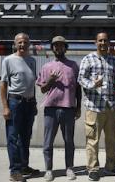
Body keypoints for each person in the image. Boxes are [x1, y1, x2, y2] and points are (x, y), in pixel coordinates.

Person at [36, 36, 81, 181]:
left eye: (61, 45)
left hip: (68, 108)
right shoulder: (46, 67)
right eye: (55, 45)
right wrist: (50, 80)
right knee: (48, 141)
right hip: (50, 109)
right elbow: (43, 89)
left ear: (65, 48)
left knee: (69, 141)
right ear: (52, 48)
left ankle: (69, 168)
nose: (58, 48)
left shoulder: (74, 65)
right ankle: (49, 170)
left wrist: (78, 106)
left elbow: (78, 88)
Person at [78, 32, 115, 181]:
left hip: (110, 107)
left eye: (105, 40)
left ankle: (111, 166)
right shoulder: (88, 59)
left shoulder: (114, 61)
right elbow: (81, 79)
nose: (103, 43)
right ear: (95, 42)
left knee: (111, 139)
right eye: (100, 40)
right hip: (94, 107)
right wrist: (93, 84)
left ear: (109, 42)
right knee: (92, 139)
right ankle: (93, 168)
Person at [0, 33, 39, 182]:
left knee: (25, 137)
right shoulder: (8, 60)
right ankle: (14, 171)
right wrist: (5, 107)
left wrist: (34, 102)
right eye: (20, 42)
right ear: (15, 44)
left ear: (29, 44)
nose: (22, 45)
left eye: (25, 42)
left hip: (29, 104)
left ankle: (24, 166)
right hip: (15, 103)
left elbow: (32, 84)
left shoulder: (32, 61)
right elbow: (3, 85)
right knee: (13, 137)